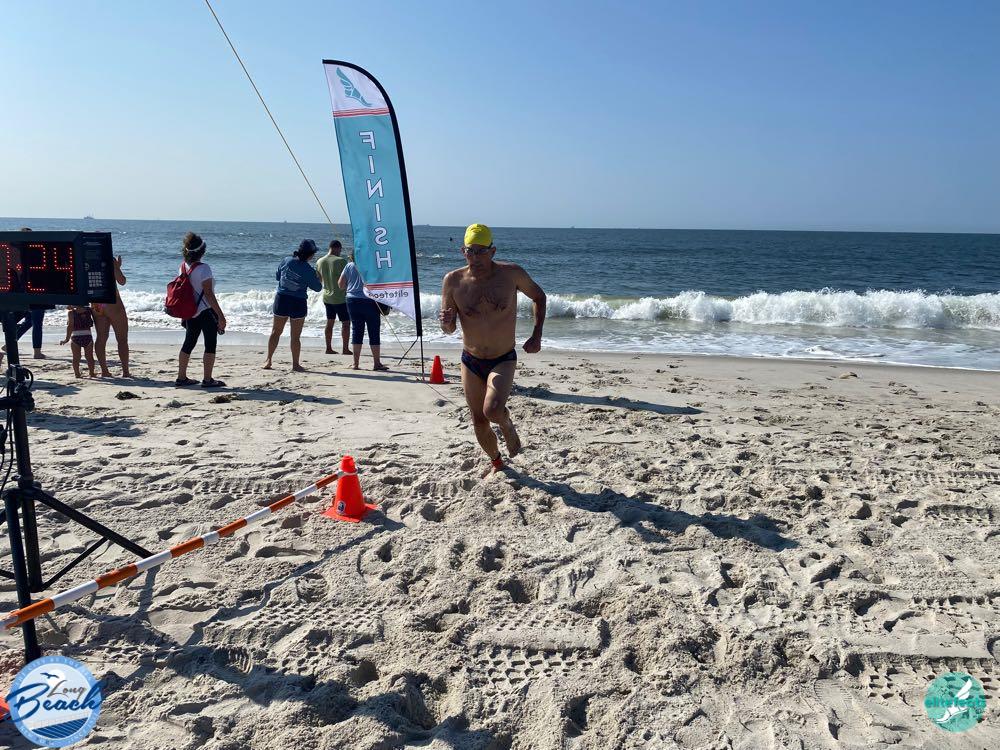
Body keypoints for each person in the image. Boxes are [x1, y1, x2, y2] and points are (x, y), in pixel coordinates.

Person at [440, 223, 546, 475]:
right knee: (478, 420)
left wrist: (536, 334)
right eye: (470, 251)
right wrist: (446, 322)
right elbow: (449, 329)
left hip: (502, 358)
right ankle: (497, 461)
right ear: (463, 251)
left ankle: (507, 424)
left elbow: (539, 297)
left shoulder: (511, 274)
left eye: (481, 251)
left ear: (493, 251)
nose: (475, 257)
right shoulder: (453, 281)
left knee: (493, 410)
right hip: (471, 359)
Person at [175, 232, 227, 388]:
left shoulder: (183, 267)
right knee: (210, 344)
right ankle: (208, 379)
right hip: (205, 311)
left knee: (188, 343)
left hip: (190, 311)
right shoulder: (204, 269)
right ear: (202, 251)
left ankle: (181, 377)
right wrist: (221, 316)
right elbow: (209, 294)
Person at [264, 239, 323, 371]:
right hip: (298, 302)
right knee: (295, 336)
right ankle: (295, 364)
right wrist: (319, 276)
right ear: (310, 254)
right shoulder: (308, 270)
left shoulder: (286, 260)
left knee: (275, 332)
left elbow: (278, 277)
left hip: (282, 299)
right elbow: (318, 288)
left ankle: (268, 360)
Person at [339, 256, 388, 371]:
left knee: (357, 330)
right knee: (374, 331)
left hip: (352, 300)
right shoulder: (373, 265)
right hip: (370, 300)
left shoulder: (349, 266)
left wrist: (352, 285)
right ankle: (376, 363)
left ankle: (355, 364)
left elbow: (341, 285)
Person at [93, 255, 131, 377]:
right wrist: (117, 267)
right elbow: (122, 281)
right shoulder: (109, 259)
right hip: (112, 302)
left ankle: (104, 370)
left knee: (101, 338)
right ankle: (125, 371)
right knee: (122, 339)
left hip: (96, 302)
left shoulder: (87, 259)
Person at [316, 240, 350, 355]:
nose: (340, 252)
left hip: (327, 297)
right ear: (337, 248)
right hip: (340, 297)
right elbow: (347, 280)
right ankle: (345, 349)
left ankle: (328, 348)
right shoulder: (341, 261)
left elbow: (319, 280)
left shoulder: (320, 261)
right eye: (340, 249)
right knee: (346, 323)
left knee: (330, 322)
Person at [60, 305, 96, 378]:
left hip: (75, 337)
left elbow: (70, 326)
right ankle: (91, 373)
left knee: (76, 358)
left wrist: (67, 339)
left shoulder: (71, 313)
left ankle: (77, 374)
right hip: (87, 336)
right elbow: (98, 308)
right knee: (89, 357)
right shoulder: (88, 310)